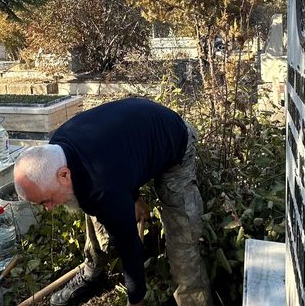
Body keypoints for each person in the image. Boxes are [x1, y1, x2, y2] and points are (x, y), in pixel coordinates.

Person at [14, 98, 213, 306]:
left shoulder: (103, 186)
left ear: (64, 174)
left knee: (183, 238)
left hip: (173, 142)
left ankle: (193, 299)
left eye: (46, 200)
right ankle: (93, 272)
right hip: (132, 145)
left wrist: (136, 299)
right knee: (84, 200)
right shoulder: (58, 149)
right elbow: (120, 161)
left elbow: (129, 244)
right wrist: (133, 197)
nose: (49, 208)